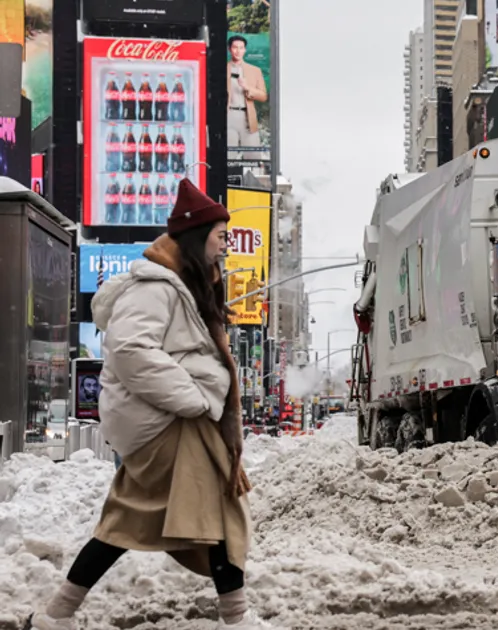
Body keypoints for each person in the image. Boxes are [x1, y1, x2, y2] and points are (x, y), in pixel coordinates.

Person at [25, 180, 275, 630]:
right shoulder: (156, 288)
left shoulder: (182, 285)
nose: (225, 246)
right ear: (198, 237)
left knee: (140, 518)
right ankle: (236, 619)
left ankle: (57, 614)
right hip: (170, 423)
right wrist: (193, 398)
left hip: (171, 421)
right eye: (220, 236)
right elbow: (130, 351)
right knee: (207, 510)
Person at [227, 35, 268, 162]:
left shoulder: (255, 70)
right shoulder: (222, 69)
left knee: (254, 158)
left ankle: (252, 180)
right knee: (228, 158)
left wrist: (247, 87)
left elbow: (263, 96)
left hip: (248, 117)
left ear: (245, 50)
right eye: (235, 47)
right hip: (229, 117)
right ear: (229, 49)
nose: (238, 51)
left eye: (241, 48)